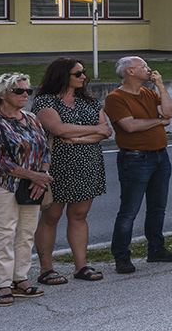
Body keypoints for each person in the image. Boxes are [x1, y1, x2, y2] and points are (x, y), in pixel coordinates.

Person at [31, 57, 112, 284]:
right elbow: (58, 129)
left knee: (79, 216)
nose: (83, 77)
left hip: (87, 164)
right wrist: (92, 130)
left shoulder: (89, 101)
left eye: (83, 72)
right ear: (62, 75)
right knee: (51, 217)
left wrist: (77, 139)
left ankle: (81, 266)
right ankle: (46, 268)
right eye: (78, 73)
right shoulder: (45, 101)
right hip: (56, 165)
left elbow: (106, 131)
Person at [104, 56, 172, 274]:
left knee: (158, 207)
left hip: (160, 156)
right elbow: (129, 126)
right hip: (135, 158)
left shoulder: (150, 92)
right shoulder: (115, 98)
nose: (149, 69)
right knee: (129, 210)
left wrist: (160, 86)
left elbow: (169, 113)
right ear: (130, 71)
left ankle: (156, 249)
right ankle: (121, 255)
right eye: (144, 66)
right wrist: (159, 122)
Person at [0, 72, 51, 303]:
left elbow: (44, 150)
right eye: (19, 90)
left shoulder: (31, 118)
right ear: (2, 94)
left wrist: (42, 176)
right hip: (1, 184)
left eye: (27, 90)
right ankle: (2, 284)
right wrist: (33, 176)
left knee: (27, 232)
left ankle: (20, 278)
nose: (25, 94)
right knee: (5, 232)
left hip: (32, 183)